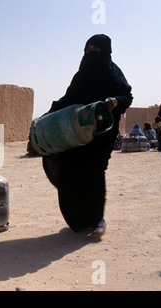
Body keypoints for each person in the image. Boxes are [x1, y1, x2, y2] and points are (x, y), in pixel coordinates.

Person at [41, 34, 133, 236]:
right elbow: (67, 99)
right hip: (75, 131)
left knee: (94, 171)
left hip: (102, 132)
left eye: (96, 50)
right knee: (70, 170)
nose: (91, 53)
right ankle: (78, 220)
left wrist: (115, 101)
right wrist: (46, 118)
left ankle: (97, 218)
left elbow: (126, 96)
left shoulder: (112, 73)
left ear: (106, 52)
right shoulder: (81, 75)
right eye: (88, 49)